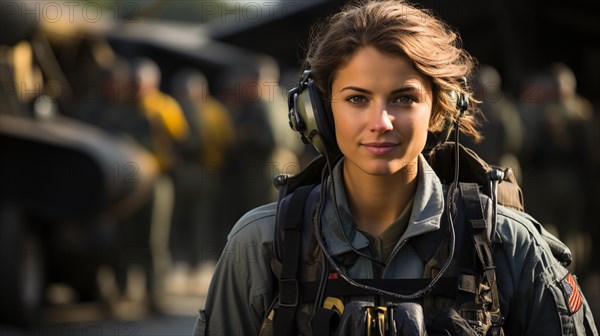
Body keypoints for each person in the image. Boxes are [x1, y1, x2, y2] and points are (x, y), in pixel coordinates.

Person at [193, 1, 598, 335]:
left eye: (404, 98)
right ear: (317, 113)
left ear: (441, 110)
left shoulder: (508, 245)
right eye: (356, 98)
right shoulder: (264, 245)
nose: (380, 122)